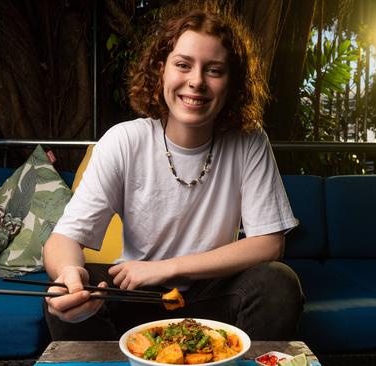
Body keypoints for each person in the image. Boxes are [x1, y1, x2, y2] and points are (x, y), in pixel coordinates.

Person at [43, 6, 303, 341]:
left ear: (231, 83)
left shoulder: (249, 141)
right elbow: (63, 239)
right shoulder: (125, 140)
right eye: (183, 65)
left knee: (277, 283)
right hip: (138, 296)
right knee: (59, 294)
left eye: (214, 70)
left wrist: (167, 267)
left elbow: (268, 244)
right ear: (160, 70)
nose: (196, 81)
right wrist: (69, 276)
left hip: (213, 296)